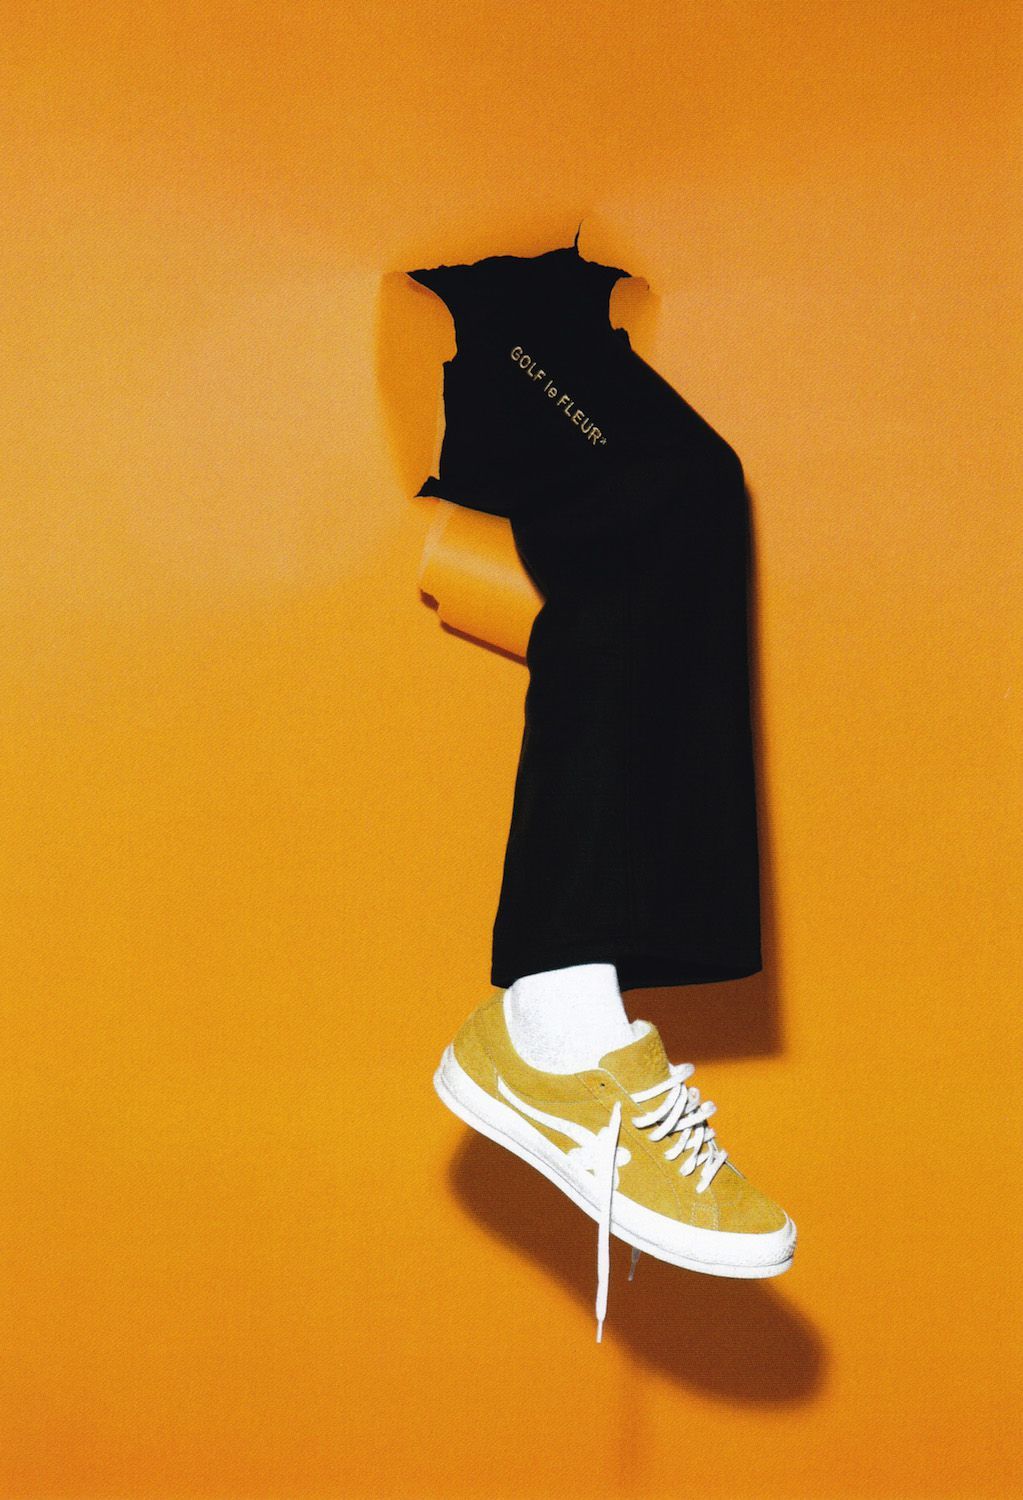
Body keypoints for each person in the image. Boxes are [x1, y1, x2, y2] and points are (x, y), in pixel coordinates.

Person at [406, 232, 797, 1342]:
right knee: (668, 488)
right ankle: (561, 1024)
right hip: (490, 295)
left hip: (561, 295)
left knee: (683, 496)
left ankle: (562, 1023)